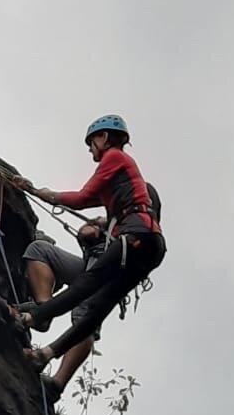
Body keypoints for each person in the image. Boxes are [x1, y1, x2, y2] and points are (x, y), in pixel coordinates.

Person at [11, 115, 165, 386]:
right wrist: (35, 191)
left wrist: (48, 195)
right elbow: (84, 201)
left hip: (135, 239)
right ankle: (45, 355)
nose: (90, 150)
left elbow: (81, 197)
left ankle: (31, 317)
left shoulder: (114, 157)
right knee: (96, 311)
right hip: (147, 248)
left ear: (104, 138)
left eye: (91, 142)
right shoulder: (121, 190)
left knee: (86, 287)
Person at [21, 219, 107, 404]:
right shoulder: (122, 218)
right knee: (39, 250)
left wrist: (97, 226)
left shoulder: (131, 221)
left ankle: (57, 384)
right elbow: (88, 232)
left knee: (85, 318)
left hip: (109, 271)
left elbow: (90, 229)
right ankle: (44, 310)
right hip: (91, 264)